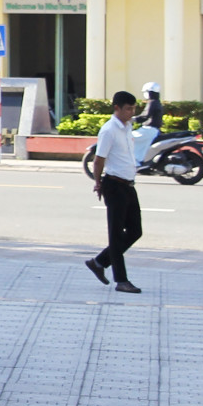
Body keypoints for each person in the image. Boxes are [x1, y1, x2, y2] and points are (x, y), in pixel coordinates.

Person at [87, 91, 145, 294]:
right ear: (117, 108)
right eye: (128, 108)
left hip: (128, 185)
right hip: (114, 185)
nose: (131, 112)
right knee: (116, 234)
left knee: (136, 231)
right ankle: (121, 280)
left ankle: (99, 262)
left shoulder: (127, 127)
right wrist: (98, 182)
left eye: (133, 108)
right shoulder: (109, 130)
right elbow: (98, 160)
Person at [133, 81, 164, 155]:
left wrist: (131, 119)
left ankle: (136, 159)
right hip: (151, 130)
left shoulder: (152, 102)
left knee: (128, 138)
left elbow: (145, 116)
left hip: (148, 130)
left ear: (149, 92)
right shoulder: (156, 102)